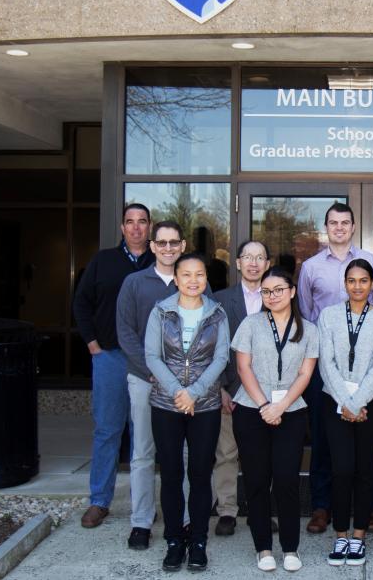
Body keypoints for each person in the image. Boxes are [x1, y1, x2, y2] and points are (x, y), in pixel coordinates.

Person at [298, 202, 373, 535]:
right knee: (324, 438)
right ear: (326, 227)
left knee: (365, 444)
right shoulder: (310, 267)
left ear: (353, 226)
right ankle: (322, 507)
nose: (339, 227)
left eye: (345, 222)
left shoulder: (372, 263)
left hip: (365, 367)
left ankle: (370, 508)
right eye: (333, 223)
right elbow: (307, 314)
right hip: (326, 366)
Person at [144, 252, 230, 573]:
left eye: (199, 275)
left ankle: (197, 541)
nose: (194, 281)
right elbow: (152, 357)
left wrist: (193, 393)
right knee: (170, 475)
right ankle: (173, 541)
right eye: (187, 275)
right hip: (166, 404)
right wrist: (178, 393)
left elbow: (221, 359)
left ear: (206, 279)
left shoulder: (217, 313)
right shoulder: (161, 312)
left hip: (205, 405)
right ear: (176, 278)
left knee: (198, 474)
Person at [232, 266, 320, 573]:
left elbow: (306, 373)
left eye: (278, 290)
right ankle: (263, 548)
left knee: (286, 480)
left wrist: (280, 406)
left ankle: (290, 548)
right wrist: (264, 405)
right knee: (256, 481)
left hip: (291, 412)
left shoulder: (308, 329)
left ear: (292, 291)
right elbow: (244, 368)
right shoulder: (250, 324)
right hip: (251, 410)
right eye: (266, 291)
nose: (272, 296)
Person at [73, 203, 154, 529]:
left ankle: (142, 505)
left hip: (148, 361)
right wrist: (93, 344)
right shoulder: (103, 261)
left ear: (150, 227)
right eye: (130, 222)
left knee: (143, 434)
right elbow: (81, 303)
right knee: (108, 429)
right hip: (109, 356)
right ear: (122, 227)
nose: (136, 228)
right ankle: (99, 500)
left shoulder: (160, 262)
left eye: (142, 222)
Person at [318, 258, 373, 567]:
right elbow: (326, 362)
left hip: (372, 402)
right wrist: (347, 402)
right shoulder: (328, 315)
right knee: (341, 468)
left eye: (364, 280)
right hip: (335, 400)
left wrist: (359, 400)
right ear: (344, 284)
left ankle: (359, 535)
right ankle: (340, 533)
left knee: (364, 468)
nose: (358, 286)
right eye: (352, 280)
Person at [116, 220, 186, 550]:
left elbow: (209, 328)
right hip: (145, 380)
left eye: (175, 242)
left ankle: (183, 520)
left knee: (183, 454)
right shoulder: (134, 282)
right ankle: (141, 522)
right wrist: (153, 371)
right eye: (163, 243)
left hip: (185, 385)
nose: (169, 248)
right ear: (154, 246)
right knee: (143, 453)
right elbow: (125, 332)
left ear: (183, 246)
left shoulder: (194, 280)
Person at [211, 240, 271, 537]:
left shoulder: (277, 297)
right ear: (237, 263)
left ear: (267, 264)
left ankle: (260, 509)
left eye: (260, 258)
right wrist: (222, 386)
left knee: (262, 454)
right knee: (227, 453)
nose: (253, 263)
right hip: (231, 389)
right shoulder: (221, 300)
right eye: (248, 257)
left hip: (267, 392)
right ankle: (227, 511)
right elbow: (215, 347)